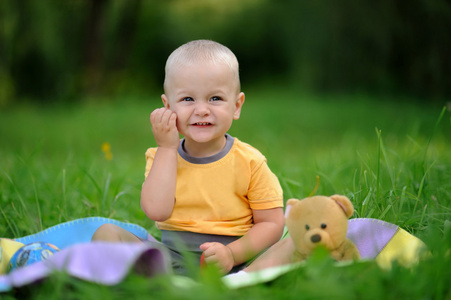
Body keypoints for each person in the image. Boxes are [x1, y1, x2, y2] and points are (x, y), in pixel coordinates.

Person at [92, 39, 284, 274]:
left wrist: (232, 254)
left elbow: (272, 223)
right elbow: (157, 211)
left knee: (296, 241)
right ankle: (119, 282)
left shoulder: (250, 161)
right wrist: (166, 148)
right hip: (171, 257)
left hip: (236, 260)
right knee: (106, 233)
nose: (201, 109)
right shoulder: (161, 156)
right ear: (167, 105)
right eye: (188, 99)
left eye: (215, 98)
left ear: (236, 105)